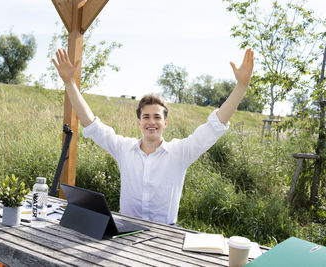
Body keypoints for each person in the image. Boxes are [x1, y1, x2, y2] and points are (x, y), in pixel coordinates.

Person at [52, 48, 254, 225]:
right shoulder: (123, 148)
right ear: (139, 123)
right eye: (146, 117)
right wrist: (69, 82)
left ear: (165, 123)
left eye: (157, 117)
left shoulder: (180, 152)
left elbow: (215, 126)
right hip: (126, 231)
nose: (151, 122)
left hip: (166, 235)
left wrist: (241, 86)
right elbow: (90, 123)